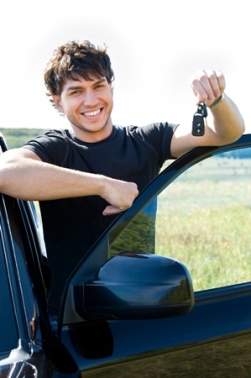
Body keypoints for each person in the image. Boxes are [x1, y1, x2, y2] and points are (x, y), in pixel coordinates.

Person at [0, 40, 245, 318]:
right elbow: (4, 172)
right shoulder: (54, 149)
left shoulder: (146, 141)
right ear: (58, 102)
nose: (91, 101)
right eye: (76, 91)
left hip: (137, 308)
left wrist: (216, 101)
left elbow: (227, 133)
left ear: (111, 88)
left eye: (98, 86)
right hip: (69, 319)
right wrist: (104, 185)